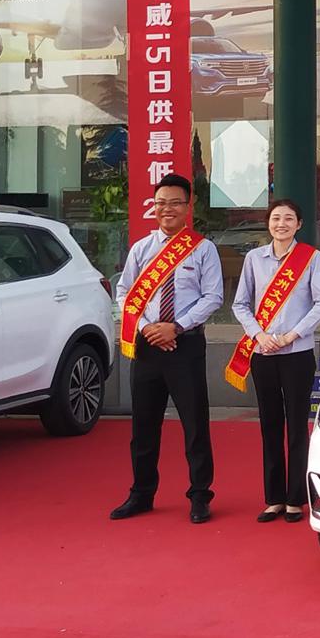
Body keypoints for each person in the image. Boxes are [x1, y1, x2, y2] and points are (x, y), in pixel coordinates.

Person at [110, 174, 225, 524]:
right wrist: (147, 327)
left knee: (194, 424)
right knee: (143, 426)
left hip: (185, 345)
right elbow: (124, 292)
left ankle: (200, 495)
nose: (167, 209)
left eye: (175, 203)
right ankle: (141, 493)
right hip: (147, 346)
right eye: (161, 203)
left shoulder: (203, 249)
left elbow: (213, 297)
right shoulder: (141, 248)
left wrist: (176, 326)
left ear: (188, 206)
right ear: (154, 207)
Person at [231, 197, 320, 523]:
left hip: (296, 354)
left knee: (297, 427)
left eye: (289, 218)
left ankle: (295, 499)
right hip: (263, 354)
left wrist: (291, 335)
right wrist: (259, 335)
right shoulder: (254, 259)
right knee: (270, 425)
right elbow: (240, 304)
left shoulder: (310, 258)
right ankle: (273, 498)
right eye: (276, 218)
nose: (281, 224)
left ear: (299, 224)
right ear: (268, 223)